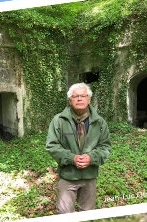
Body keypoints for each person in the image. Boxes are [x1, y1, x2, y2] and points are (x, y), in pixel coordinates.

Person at [44, 82, 111, 213]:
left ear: (89, 99)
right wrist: (71, 158)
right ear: (70, 100)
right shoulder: (58, 120)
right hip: (68, 176)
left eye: (83, 96)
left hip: (89, 176)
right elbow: (52, 145)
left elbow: (105, 147)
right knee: (64, 213)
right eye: (75, 96)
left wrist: (91, 157)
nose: (79, 99)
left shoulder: (100, 122)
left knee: (87, 213)